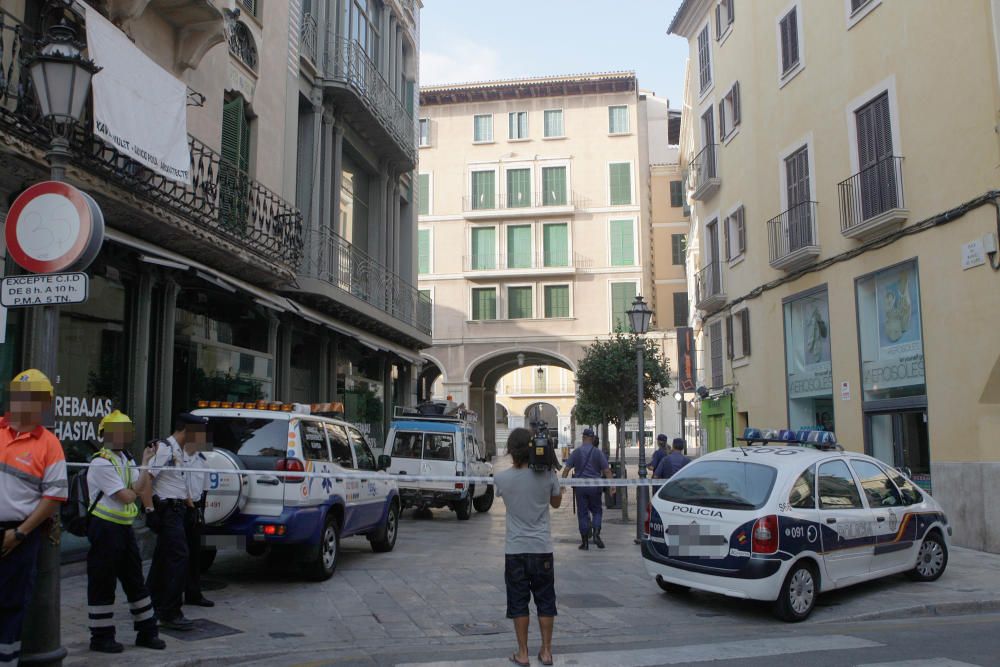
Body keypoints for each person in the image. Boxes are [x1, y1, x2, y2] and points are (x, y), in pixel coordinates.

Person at [0, 370, 67, 667]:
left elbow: (53, 497)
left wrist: (21, 533)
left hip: (19, 535)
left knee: (11, 605)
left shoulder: (49, 443)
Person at [86, 410, 166, 653]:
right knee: (103, 583)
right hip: (104, 529)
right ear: (105, 435)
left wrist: (145, 460)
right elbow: (128, 496)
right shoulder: (101, 462)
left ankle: (147, 632)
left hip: (123, 529)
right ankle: (101, 638)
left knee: (135, 581)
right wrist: (137, 484)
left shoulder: (126, 459)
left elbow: (141, 488)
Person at [494, 428, 563, 667]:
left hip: (515, 550)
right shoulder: (548, 475)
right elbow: (556, 503)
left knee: (518, 601)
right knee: (545, 600)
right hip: (542, 547)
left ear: (511, 451)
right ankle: (546, 651)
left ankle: (522, 653)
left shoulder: (501, 479)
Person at [145, 413, 208, 630]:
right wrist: (149, 510)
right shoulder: (164, 448)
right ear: (186, 430)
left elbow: (180, 482)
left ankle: (151, 601)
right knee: (179, 557)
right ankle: (170, 612)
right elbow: (146, 480)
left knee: (164, 558)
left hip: (179, 510)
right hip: (167, 510)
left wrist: (191, 509)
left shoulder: (180, 452)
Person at [561, 428, 614, 550]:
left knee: (583, 513)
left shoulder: (576, 452)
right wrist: (612, 485)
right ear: (593, 438)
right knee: (597, 511)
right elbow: (607, 470)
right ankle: (596, 534)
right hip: (595, 487)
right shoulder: (598, 452)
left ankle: (584, 542)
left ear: (584, 437)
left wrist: (562, 483)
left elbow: (567, 469)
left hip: (580, 488)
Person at [182, 430, 214, 609]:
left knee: (195, 554)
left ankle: (194, 593)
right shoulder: (178, 458)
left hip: (195, 509)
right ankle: (169, 593)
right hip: (179, 508)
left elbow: (205, 490)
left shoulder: (202, 461)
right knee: (177, 555)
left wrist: (201, 512)